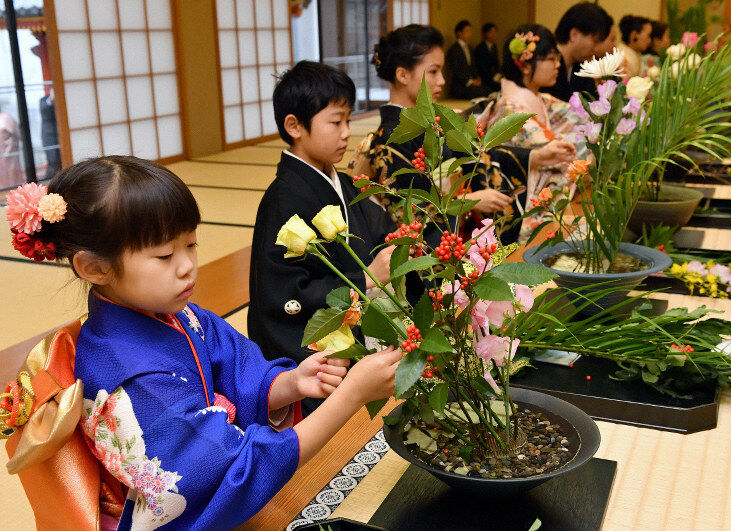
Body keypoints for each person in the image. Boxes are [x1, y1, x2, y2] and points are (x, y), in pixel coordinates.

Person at [3, 157, 402, 529]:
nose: (187, 266)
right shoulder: (130, 381)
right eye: (164, 255)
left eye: (191, 244)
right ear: (95, 268)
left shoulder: (180, 316)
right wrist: (349, 397)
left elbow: (239, 372)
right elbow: (239, 468)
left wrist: (292, 383)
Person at [249, 61, 396, 414]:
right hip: (308, 356)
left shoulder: (341, 183)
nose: (347, 132)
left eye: (349, 120)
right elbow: (286, 294)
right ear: (294, 126)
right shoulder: (284, 198)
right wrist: (366, 277)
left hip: (351, 329)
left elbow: (381, 233)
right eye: (336, 121)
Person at [364, 24, 532, 244]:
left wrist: (535, 157)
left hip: (460, 236)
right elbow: (406, 216)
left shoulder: (433, 122)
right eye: (433, 71)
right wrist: (468, 200)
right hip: (442, 252)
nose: (442, 80)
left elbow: (478, 153)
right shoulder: (390, 140)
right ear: (402, 75)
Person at [478, 25, 586, 243]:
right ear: (525, 65)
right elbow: (552, 152)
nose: (558, 64)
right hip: (519, 214)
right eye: (551, 59)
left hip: (542, 204)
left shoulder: (540, 99)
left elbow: (580, 121)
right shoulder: (508, 109)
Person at [541, 2, 614, 102]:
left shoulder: (581, 68)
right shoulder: (544, 64)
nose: (597, 49)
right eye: (595, 41)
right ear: (574, 35)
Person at [445, 20, 491, 99]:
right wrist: (470, 81)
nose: (470, 34)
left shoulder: (469, 48)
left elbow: (473, 66)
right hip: (460, 85)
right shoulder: (454, 49)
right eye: (467, 31)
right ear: (459, 33)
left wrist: (477, 78)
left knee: (488, 91)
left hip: (471, 82)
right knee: (483, 93)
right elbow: (456, 70)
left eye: (470, 31)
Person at [474, 22, 502, 93]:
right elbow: (481, 67)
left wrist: (499, 75)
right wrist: (495, 78)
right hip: (484, 78)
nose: (494, 35)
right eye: (491, 32)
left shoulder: (494, 47)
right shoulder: (480, 48)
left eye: (495, 32)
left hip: (493, 77)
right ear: (485, 34)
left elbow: (496, 64)